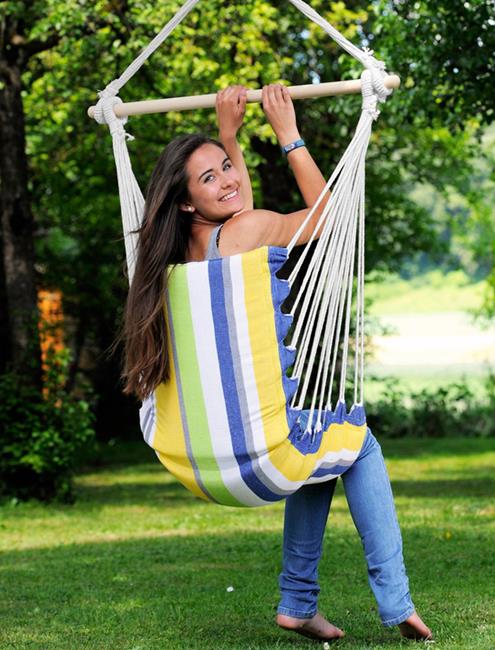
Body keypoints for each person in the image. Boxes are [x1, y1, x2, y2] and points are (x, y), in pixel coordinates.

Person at [121, 84, 431, 642]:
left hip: (193, 460)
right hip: (262, 455)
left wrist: (230, 139)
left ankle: (298, 604)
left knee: (318, 448)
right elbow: (328, 219)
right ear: (187, 201)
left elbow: (235, 216)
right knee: (358, 443)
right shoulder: (246, 232)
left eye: (225, 168)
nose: (228, 179)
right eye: (210, 177)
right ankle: (396, 600)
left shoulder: (164, 259)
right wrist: (288, 134)